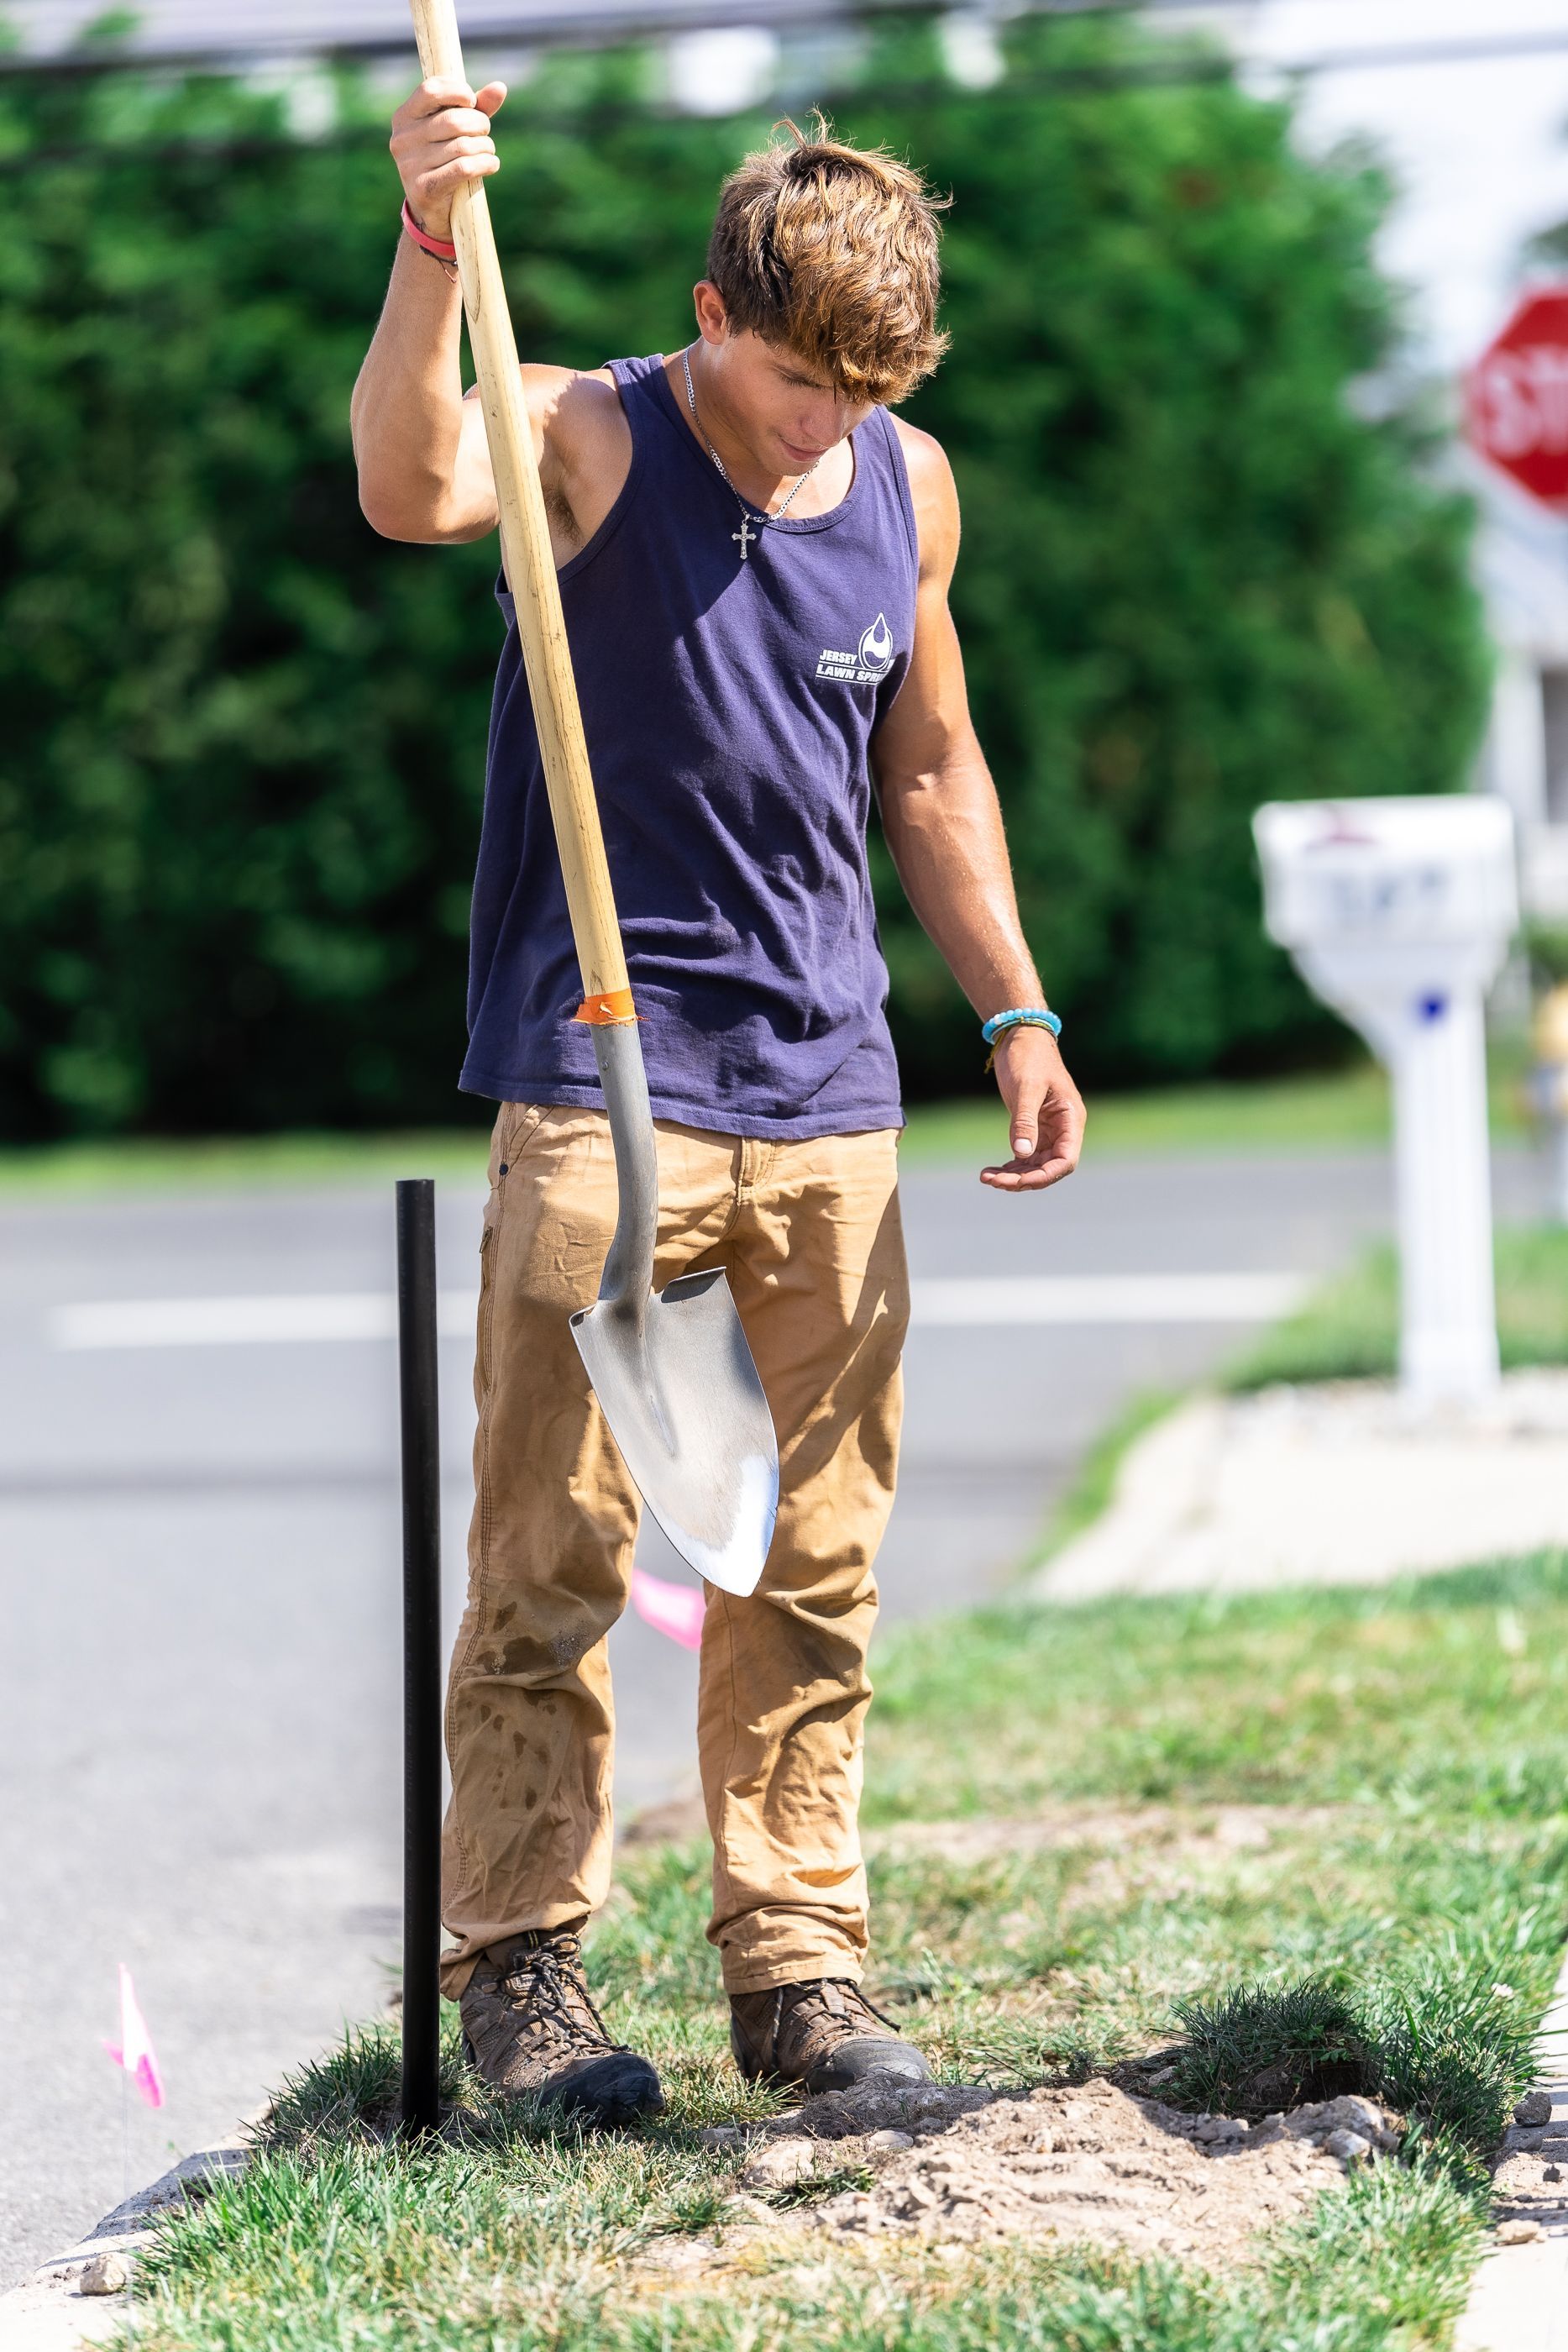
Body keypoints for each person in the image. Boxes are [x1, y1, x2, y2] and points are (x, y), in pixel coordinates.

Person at [351, 74, 1086, 2127]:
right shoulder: (590, 432)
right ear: (707, 313)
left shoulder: (907, 485)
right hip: (606, 1079)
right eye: (785, 384)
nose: (814, 431)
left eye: (857, 392)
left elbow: (928, 773)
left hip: (830, 1087)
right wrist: (429, 242)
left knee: (812, 1562)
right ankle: (522, 1971)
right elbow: (413, 489)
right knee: (553, 1557)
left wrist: (1011, 1006)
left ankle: (795, 1959)